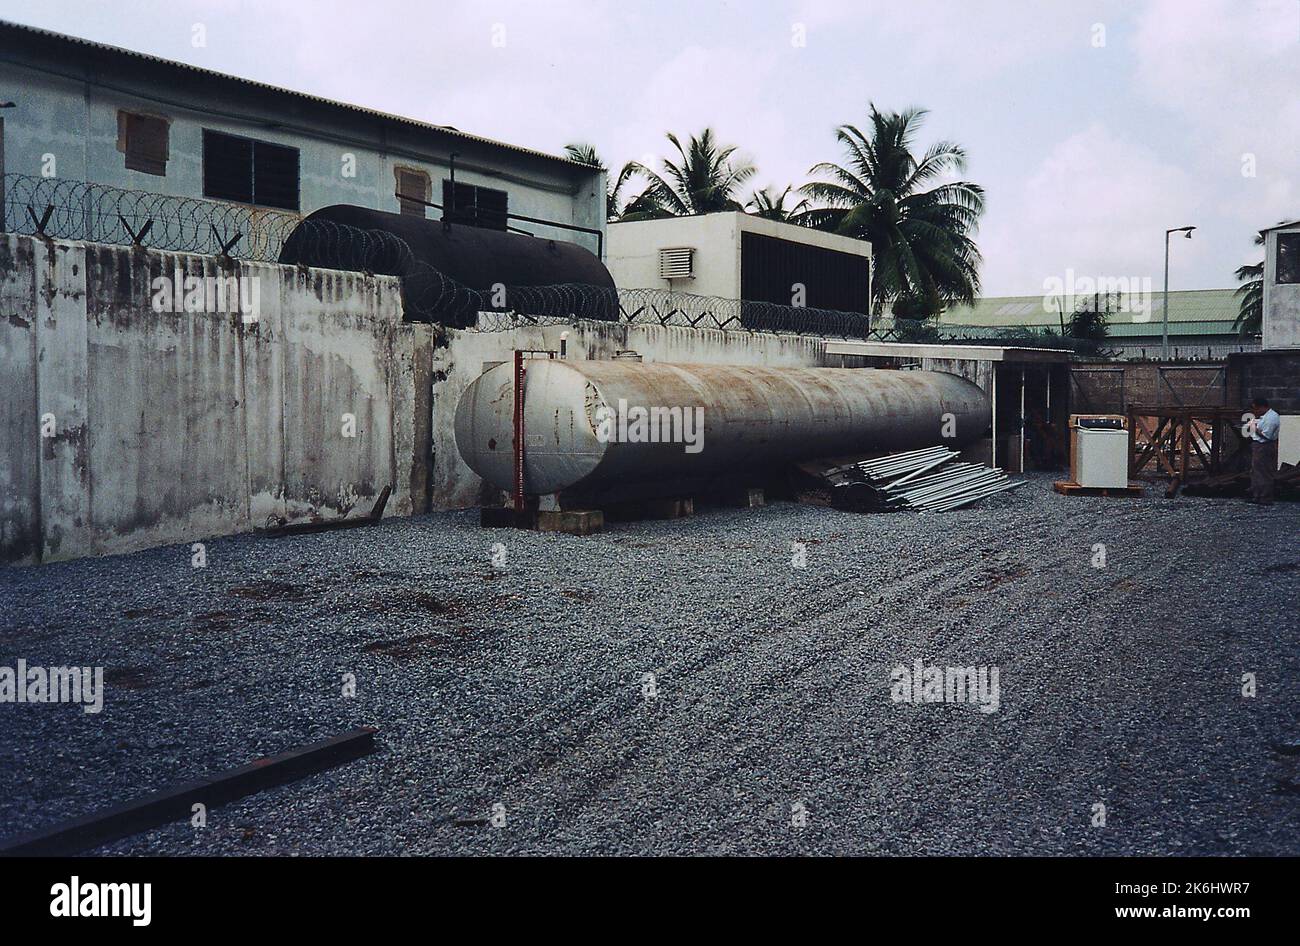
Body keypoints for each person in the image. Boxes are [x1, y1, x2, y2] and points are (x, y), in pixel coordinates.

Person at [1247, 396, 1281, 505]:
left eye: (1256, 409)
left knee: (1264, 472)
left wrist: (1254, 428)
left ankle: (1265, 497)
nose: (1255, 411)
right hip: (1259, 445)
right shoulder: (1264, 416)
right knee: (1256, 471)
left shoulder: (1271, 418)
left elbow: (1267, 436)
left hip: (1264, 446)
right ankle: (1257, 495)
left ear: (1262, 407)